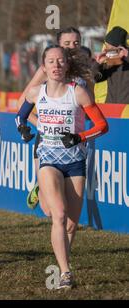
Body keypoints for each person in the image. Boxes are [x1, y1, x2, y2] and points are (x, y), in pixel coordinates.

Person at [15, 45, 108, 289]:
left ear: (67, 66)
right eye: (51, 62)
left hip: (75, 161)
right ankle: (66, 273)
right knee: (59, 214)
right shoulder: (36, 92)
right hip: (48, 159)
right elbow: (20, 116)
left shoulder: (78, 93)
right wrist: (23, 128)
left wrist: (80, 137)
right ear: (43, 67)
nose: (56, 65)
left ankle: (63, 260)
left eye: (60, 61)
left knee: (71, 224)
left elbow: (102, 126)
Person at [18, 27, 93, 213]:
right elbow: (23, 101)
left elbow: (91, 103)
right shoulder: (50, 68)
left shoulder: (85, 70)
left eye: (76, 43)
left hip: (73, 142)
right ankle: (42, 187)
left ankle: (62, 230)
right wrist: (42, 125)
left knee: (61, 210)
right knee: (48, 210)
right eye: (66, 43)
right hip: (46, 141)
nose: (72, 47)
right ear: (58, 45)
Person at [94, 26, 129, 104]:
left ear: (119, 47)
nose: (105, 50)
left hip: (126, 110)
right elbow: (95, 78)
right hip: (111, 109)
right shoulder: (110, 62)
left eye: (108, 46)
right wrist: (98, 64)